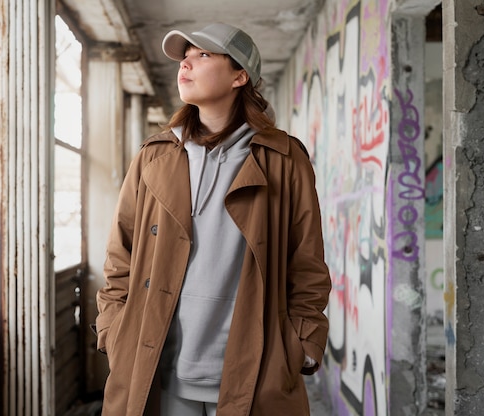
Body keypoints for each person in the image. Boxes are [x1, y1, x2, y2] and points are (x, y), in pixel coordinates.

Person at [94, 22, 331, 416]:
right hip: (159, 365)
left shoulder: (284, 159)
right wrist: (113, 328)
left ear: (240, 76)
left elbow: (306, 261)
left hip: (255, 368)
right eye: (184, 57)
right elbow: (121, 253)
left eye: (202, 55)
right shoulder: (154, 156)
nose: (185, 65)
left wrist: (302, 342)